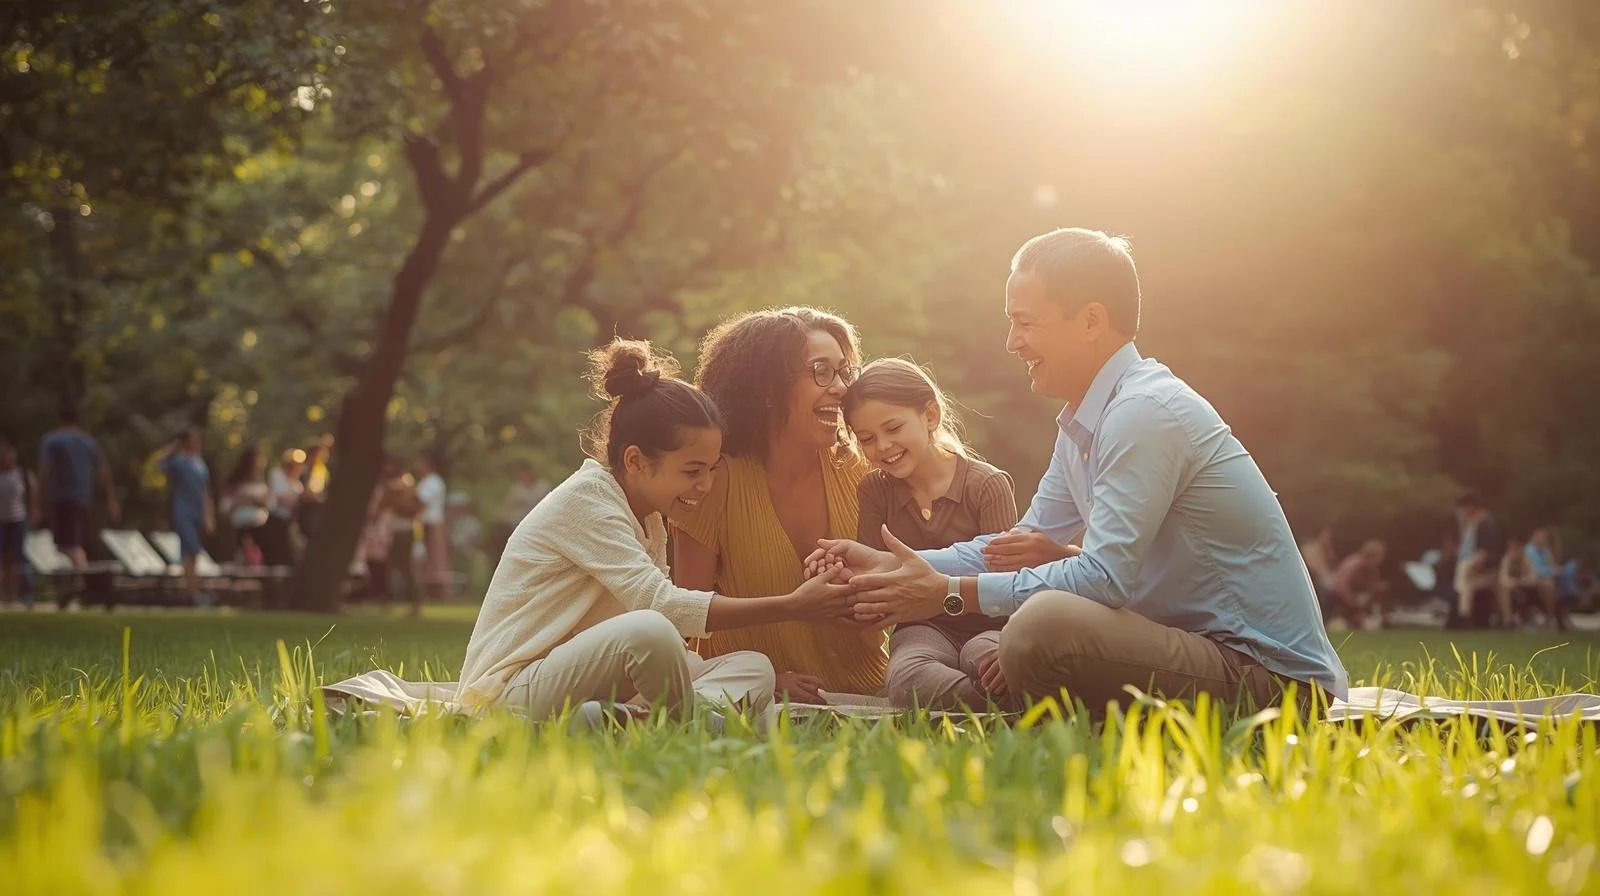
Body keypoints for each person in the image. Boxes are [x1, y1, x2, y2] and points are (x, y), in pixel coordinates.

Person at [808, 227, 1348, 711]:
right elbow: (1011, 545)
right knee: (1033, 627)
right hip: (1194, 650)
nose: (1012, 342)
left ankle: (1018, 708)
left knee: (1043, 627)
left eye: (1025, 324)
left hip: (1271, 680)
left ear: (1090, 320)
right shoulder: (1083, 422)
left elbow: (1102, 579)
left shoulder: (1144, 413)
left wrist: (948, 592)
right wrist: (887, 565)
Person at [455, 338, 859, 722]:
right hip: (509, 694)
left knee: (753, 667)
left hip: (589, 686)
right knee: (649, 629)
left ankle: (641, 721)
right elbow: (661, 608)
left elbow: (664, 633)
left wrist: (764, 679)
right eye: (692, 471)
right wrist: (793, 604)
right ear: (635, 461)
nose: (703, 486)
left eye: (711, 470)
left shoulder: (648, 516)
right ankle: (689, 722)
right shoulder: (588, 502)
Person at [671, 306, 885, 703]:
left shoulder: (862, 471)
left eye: (844, 371)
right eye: (821, 371)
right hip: (759, 692)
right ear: (768, 391)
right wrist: (767, 680)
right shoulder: (715, 481)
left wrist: (874, 603)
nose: (840, 388)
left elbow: (903, 590)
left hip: (872, 692)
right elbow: (689, 617)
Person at [840, 358, 1019, 710]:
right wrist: (844, 579)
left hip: (990, 624)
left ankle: (992, 697)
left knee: (987, 660)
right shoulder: (875, 490)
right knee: (907, 679)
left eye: (893, 428)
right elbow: (877, 576)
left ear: (930, 416)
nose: (883, 446)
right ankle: (1001, 707)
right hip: (922, 628)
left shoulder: (987, 485)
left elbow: (1007, 577)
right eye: (867, 439)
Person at [38, 400, 119, 574]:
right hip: (83, 498)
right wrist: (111, 499)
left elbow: (45, 470)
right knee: (69, 543)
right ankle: (78, 577)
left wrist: (38, 499)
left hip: (62, 497)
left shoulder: (53, 440)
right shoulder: (87, 441)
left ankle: (80, 578)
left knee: (68, 545)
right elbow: (103, 471)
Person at [155, 427, 215, 607]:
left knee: (192, 553)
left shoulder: (199, 463)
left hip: (198, 512)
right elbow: (159, 465)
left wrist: (209, 515)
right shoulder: (179, 461)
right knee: (191, 549)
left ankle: (191, 590)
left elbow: (206, 491)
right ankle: (192, 592)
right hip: (183, 511)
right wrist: (172, 448)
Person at [1452, 491, 1503, 629]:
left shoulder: (1485, 523)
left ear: (1470, 507)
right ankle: (1463, 614)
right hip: (1473, 566)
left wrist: (1479, 563)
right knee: (1464, 575)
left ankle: (1464, 616)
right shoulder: (1471, 524)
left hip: (1485, 568)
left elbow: (1485, 550)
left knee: (1464, 573)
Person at [0, 441, 42, 607]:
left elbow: (33, 493)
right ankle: (6, 594)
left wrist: (34, 511)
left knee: (18, 559)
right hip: (0, 521)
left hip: (17, 520)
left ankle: (20, 595)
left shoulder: (23, 475)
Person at [380, 456, 423, 616]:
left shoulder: (401, 485)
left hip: (403, 531)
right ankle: (392, 600)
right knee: (397, 567)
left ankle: (413, 603)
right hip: (398, 531)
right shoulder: (407, 484)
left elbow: (413, 507)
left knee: (404, 567)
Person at [222, 443, 272, 565]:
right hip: (241, 525)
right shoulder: (235, 481)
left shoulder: (261, 479)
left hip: (260, 525)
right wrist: (243, 501)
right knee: (243, 553)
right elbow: (225, 505)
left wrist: (251, 500)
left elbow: (268, 502)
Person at [493, 462, 551, 563]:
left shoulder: (543, 486)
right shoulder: (516, 488)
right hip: (515, 522)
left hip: (535, 521)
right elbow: (508, 506)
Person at [1328, 539, 1388, 630]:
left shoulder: (1372, 570)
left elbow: (1372, 587)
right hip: (1339, 600)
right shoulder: (1354, 565)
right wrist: (1352, 602)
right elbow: (1341, 586)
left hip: (1356, 602)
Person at [415, 452, 450, 601]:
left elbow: (422, 502)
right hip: (427, 522)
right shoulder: (426, 481)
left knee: (436, 558)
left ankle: (440, 592)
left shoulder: (433, 482)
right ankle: (428, 591)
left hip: (432, 522)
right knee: (426, 558)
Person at [262, 449, 305, 568]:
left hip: (288, 522)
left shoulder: (297, 484)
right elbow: (280, 497)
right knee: (273, 553)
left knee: (287, 554)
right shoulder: (277, 475)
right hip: (275, 519)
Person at [1524, 527, 1572, 630]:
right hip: (1532, 580)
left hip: (1546, 579)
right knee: (1550, 585)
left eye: (1545, 537)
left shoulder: (1544, 550)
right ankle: (1551, 618)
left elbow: (1552, 565)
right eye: (1540, 536)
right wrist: (1553, 571)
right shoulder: (1529, 550)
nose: (1543, 539)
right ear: (1533, 537)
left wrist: (1553, 565)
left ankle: (1560, 616)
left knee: (1563, 579)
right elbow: (1536, 570)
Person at [1299, 527, 1337, 612]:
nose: (1328, 539)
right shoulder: (1310, 549)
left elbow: (1330, 569)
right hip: (1313, 580)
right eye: (1326, 536)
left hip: (1326, 581)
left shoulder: (1325, 550)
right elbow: (1313, 569)